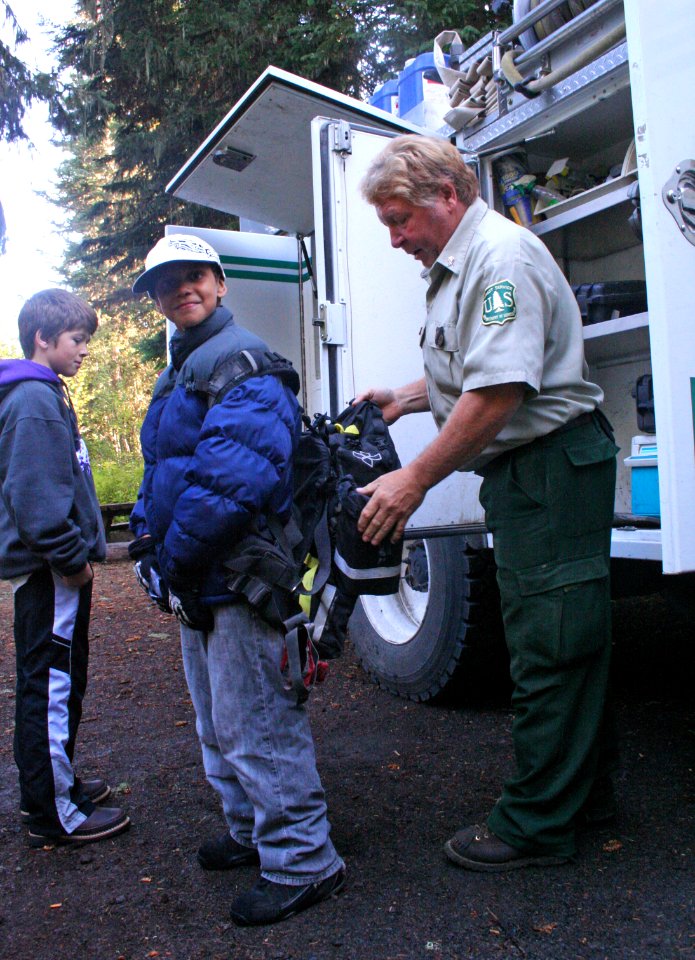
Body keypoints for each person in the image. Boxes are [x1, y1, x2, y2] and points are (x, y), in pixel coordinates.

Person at [355, 135, 618, 871]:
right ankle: (583, 794)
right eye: (384, 223)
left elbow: (499, 393)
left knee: (549, 646)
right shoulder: (457, 263)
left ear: (448, 194)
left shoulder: (498, 259)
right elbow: (475, 364)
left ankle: (537, 823)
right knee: (568, 635)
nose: (395, 236)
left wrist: (414, 481)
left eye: (400, 218)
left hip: (548, 468)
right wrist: (408, 397)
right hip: (540, 470)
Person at [129, 234, 344, 925]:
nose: (181, 289)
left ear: (219, 283)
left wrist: (174, 558)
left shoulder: (246, 362)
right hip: (200, 577)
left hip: (237, 577)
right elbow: (164, 469)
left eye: (194, 276)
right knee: (218, 720)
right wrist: (143, 535)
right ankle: (253, 831)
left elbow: (233, 481)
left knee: (257, 723)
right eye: (166, 283)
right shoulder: (182, 367)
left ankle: (304, 861)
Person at [0, 289, 130, 846]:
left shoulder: (45, 394)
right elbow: (35, 497)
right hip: (50, 572)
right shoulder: (32, 399)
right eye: (78, 341)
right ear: (43, 340)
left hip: (54, 571)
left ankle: (58, 782)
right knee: (49, 686)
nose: (84, 352)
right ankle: (53, 812)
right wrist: (72, 562)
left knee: (60, 680)